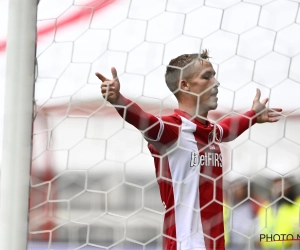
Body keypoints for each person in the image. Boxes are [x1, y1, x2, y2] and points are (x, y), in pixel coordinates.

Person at [96, 51, 282, 250]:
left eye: (215, 75)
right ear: (184, 85)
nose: (216, 82)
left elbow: (227, 129)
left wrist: (252, 115)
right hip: (187, 244)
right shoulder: (173, 130)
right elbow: (144, 120)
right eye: (207, 76)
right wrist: (118, 101)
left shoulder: (210, 132)